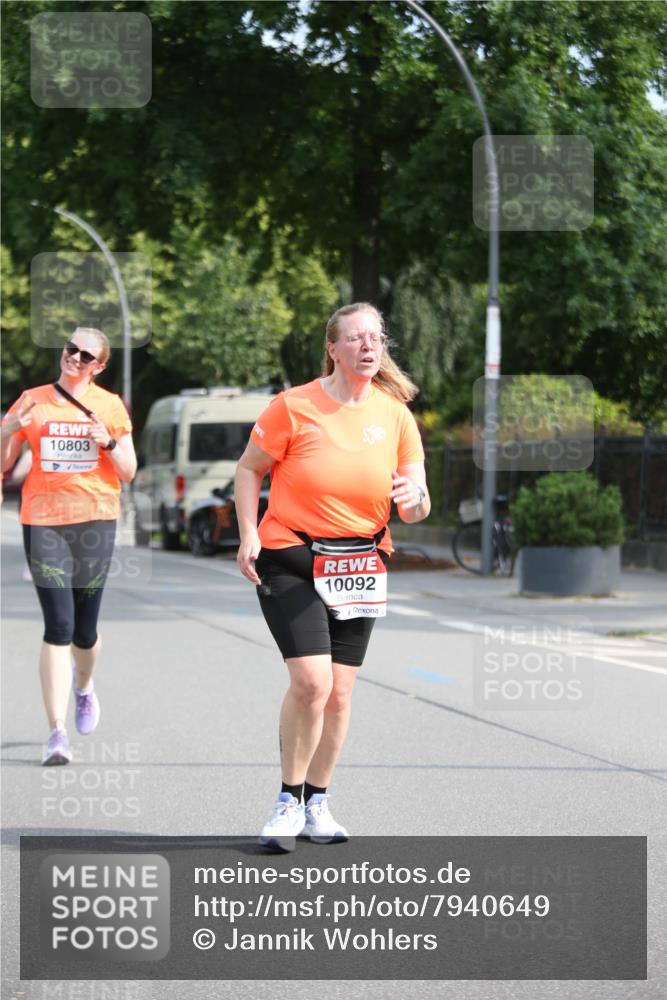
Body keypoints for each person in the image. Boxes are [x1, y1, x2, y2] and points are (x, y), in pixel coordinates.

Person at [236, 302, 430, 851]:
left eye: (377, 337)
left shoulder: (395, 416)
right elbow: (250, 468)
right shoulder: (293, 406)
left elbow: (417, 505)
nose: (370, 346)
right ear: (334, 348)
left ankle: (318, 801)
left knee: (340, 695)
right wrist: (249, 533)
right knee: (312, 683)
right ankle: (286, 802)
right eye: (357, 338)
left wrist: (415, 498)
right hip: (291, 555)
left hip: (361, 563)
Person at [1, 327, 137, 765]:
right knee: (58, 626)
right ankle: (56, 733)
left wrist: (109, 442)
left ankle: (84, 686)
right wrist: (6, 429)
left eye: (85, 355)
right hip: (43, 521)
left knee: (85, 630)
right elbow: (4, 465)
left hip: (96, 520)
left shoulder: (110, 405)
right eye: (70, 349)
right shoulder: (31, 399)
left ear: (99, 365)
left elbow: (129, 470)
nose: (74, 358)